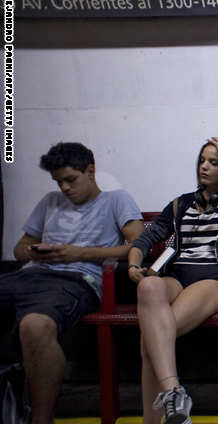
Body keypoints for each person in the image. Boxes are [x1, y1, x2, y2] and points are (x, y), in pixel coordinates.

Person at [0, 142, 144, 424]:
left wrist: (79, 253)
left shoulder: (116, 200)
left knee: (36, 325)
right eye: (59, 181)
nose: (65, 188)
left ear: (90, 171)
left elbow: (139, 244)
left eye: (71, 180)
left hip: (77, 278)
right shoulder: (50, 201)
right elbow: (20, 249)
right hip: (30, 274)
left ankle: (40, 418)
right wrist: (38, 251)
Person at [128, 136, 218, 424]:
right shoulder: (181, 204)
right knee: (148, 286)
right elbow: (146, 238)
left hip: (214, 279)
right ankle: (174, 394)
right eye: (202, 161)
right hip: (177, 276)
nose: (205, 167)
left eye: (215, 162)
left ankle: (154, 418)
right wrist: (134, 264)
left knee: (152, 338)